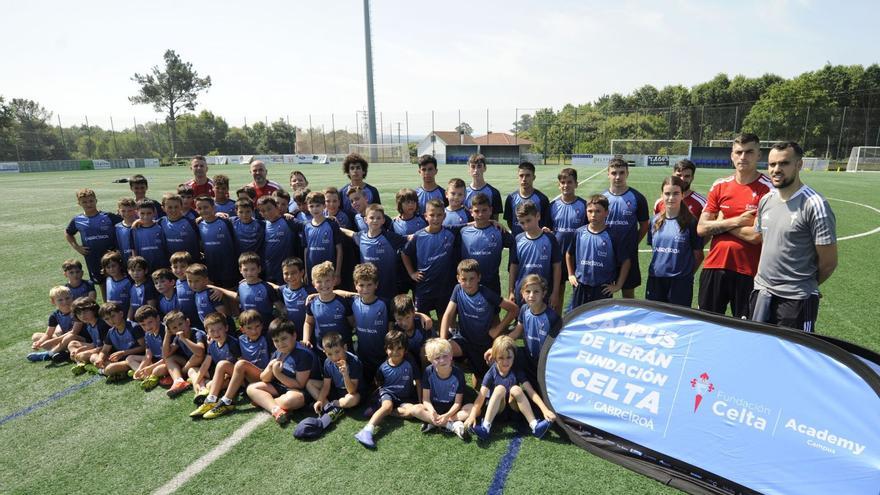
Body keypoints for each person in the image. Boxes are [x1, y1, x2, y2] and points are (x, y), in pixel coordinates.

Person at [746, 141, 837, 332]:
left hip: (796, 300)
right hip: (762, 292)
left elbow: (829, 262)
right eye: (772, 164)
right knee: (758, 350)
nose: (776, 169)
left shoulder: (815, 204)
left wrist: (802, 285)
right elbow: (764, 239)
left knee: (793, 356)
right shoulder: (766, 200)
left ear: (799, 165)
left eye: (784, 163)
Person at [697, 133, 772, 318]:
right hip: (714, 265)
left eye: (749, 152)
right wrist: (736, 221)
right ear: (732, 155)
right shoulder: (720, 186)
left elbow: (756, 236)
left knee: (746, 330)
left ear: (759, 155)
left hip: (749, 271)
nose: (743, 157)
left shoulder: (769, 190)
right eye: (738, 152)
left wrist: (721, 222)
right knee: (708, 324)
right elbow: (701, 228)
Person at [441, 259, 518, 382]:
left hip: (484, 344)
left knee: (486, 379)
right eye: (464, 279)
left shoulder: (486, 294)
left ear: (479, 278)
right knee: (440, 353)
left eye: (472, 278)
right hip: (463, 340)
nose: (468, 283)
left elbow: (514, 309)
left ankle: (473, 366)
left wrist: (497, 329)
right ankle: (454, 378)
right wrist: (442, 341)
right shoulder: (457, 290)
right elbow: (447, 315)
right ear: (458, 278)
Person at [464, 336, 554, 441]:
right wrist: (472, 415)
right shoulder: (491, 373)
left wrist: (545, 410)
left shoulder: (516, 370)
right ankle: (485, 427)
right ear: (494, 358)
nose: (505, 362)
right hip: (498, 412)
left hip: (514, 410)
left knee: (516, 389)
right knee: (500, 389)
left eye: (509, 357)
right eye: (501, 358)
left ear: (514, 356)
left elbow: (531, 392)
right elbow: (481, 397)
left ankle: (535, 426)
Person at [199, 309, 274, 419]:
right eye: (249, 328)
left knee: (241, 363)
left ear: (262, 326)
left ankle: (226, 401)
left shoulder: (267, 339)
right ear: (242, 329)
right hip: (246, 377)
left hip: (263, 376)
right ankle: (211, 400)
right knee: (221, 365)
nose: (254, 331)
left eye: (257, 326)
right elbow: (224, 335)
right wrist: (212, 336)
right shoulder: (240, 339)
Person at [354, 330, 419, 449]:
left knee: (411, 413)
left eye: (399, 348)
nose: (395, 352)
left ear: (405, 349)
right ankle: (366, 431)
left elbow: (418, 382)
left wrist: (421, 401)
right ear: (386, 349)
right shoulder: (383, 367)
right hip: (388, 393)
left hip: (405, 398)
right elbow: (379, 384)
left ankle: (380, 412)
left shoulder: (410, 363)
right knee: (387, 406)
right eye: (391, 348)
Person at [646, 177, 704, 307]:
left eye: (676, 193)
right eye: (667, 193)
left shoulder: (691, 222)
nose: (671, 198)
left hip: (680, 282)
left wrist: (685, 275)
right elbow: (655, 250)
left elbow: (699, 255)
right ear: (662, 195)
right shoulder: (654, 221)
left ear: (682, 195)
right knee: (655, 317)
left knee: (678, 321)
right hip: (656, 279)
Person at [247, 317, 316, 425]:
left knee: (292, 400)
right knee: (251, 388)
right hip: (282, 387)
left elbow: (300, 384)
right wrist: (270, 367)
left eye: (284, 338)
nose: (280, 343)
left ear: (294, 335)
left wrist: (277, 373)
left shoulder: (303, 354)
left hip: (299, 391)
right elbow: (264, 378)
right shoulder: (278, 352)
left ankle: (265, 402)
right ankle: (276, 409)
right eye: (276, 341)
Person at [566, 195, 629, 309]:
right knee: (578, 318)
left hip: (603, 288)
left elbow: (626, 261)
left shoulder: (613, 235)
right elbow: (569, 254)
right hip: (581, 285)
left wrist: (618, 285)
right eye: (590, 211)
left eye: (598, 211)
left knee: (601, 321)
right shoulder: (579, 233)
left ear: (606, 213)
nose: (593, 215)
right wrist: (571, 274)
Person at [401, 199, 458, 318]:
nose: (436, 218)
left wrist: (492, 221)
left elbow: (470, 224)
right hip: (424, 287)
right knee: (421, 318)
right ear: (426, 216)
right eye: (432, 215)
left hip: (444, 287)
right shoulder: (419, 236)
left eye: (439, 215)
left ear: (444, 216)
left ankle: (444, 335)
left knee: (444, 317)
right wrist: (412, 273)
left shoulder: (450, 231)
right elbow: (404, 253)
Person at [602, 158, 649, 299]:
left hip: (628, 254)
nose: (618, 177)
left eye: (621, 173)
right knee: (604, 291)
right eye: (614, 173)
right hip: (605, 252)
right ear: (608, 174)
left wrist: (633, 242)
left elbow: (644, 225)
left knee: (628, 294)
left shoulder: (637, 198)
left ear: (627, 173)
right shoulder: (602, 198)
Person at [65, 188, 121, 301]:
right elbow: (68, 233)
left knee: (117, 280)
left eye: (91, 201)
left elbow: (124, 226)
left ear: (96, 201)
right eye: (84, 202)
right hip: (93, 258)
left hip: (111, 257)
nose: (88, 204)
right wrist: (77, 247)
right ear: (79, 203)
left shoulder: (108, 216)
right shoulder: (78, 220)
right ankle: (107, 305)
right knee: (101, 283)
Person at [343, 204, 407, 301]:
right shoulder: (361, 237)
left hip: (388, 287)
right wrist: (336, 226)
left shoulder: (390, 238)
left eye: (378, 218)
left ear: (383, 220)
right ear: (365, 220)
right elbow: (351, 233)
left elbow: (408, 238)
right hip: (368, 288)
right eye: (372, 217)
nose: (375, 220)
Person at [410, 338, 471, 439]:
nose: (442, 360)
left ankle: (433, 423)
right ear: (430, 359)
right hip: (435, 408)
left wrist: (446, 416)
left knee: (472, 409)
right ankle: (452, 426)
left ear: (451, 355)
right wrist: (432, 411)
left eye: (445, 356)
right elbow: (426, 399)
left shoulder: (458, 374)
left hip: (452, 411)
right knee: (415, 409)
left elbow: (457, 403)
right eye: (437, 358)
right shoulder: (428, 372)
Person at [304, 331, 362, 436]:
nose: (334, 357)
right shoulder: (327, 362)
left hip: (352, 392)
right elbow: (326, 386)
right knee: (309, 383)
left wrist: (345, 374)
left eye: (337, 351)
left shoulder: (354, 361)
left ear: (345, 348)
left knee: (352, 399)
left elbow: (352, 390)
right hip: (336, 391)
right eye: (329, 353)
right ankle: (328, 406)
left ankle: (335, 406)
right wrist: (320, 400)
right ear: (325, 352)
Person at [458, 192, 514, 298]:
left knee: (494, 312)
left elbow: (516, 244)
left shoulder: (499, 230)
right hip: (468, 282)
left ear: (491, 210)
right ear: (471, 212)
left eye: (484, 210)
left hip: (492, 282)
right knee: (468, 313)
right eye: (476, 211)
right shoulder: (463, 232)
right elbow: (444, 228)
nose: (480, 214)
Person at [208, 252, 283, 330]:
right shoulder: (241, 286)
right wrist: (220, 289)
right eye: (245, 269)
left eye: (253, 269)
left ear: (259, 269)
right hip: (248, 329)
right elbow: (238, 298)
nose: (249, 273)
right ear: (240, 270)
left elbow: (281, 308)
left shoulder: (267, 287)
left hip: (265, 328)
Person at [508, 274, 559, 388]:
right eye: (528, 291)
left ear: (544, 293)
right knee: (506, 353)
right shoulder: (524, 309)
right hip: (528, 358)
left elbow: (557, 346)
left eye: (536, 292)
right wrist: (497, 346)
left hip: (545, 364)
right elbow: (517, 332)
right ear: (522, 293)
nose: (531, 295)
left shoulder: (552, 317)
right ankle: (510, 387)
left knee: (540, 391)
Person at [508, 201, 562, 311]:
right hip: (522, 292)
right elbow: (513, 266)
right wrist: (511, 291)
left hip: (543, 292)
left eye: (528, 220)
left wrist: (555, 292)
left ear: (537, 216)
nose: (526, 225)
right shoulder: (518, 239)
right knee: (522, 322)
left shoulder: (550, 238)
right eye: (522, 223)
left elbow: (557, 266)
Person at [549, 168, 587, 311]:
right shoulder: (552, 205)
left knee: (578, 290)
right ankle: (558, 322)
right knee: (557, 290)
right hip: (557, 256)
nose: (566, 185)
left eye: (569, 182)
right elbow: (548, 229)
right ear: (559, 185)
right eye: (563, 182)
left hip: (577, 256)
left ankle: (575, 319)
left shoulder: (584, 206)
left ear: (576, 184)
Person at [189, 312, 241, 412]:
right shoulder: (212, 344)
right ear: (207, 332)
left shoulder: (232, 343)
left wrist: (228, 375)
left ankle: (211, 399)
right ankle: (202, 389)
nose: (216, 334)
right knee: (192, 370)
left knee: (213, 381)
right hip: (222, 374)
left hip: (235, 377)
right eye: (212, 331)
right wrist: (196, 382)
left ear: (226, 328)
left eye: (219, 329)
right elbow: (206, 364)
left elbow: (241, 365)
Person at [304, 261, 354, 355]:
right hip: (322, 350)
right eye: (319, 281)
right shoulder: (311, 303)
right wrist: (306, 339)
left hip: (343, 349)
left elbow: (352, 323)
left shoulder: (343, 302)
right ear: (313, 284)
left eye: (327, 280)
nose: (324, 285)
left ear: (334, 280)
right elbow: (308, 322)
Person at [195, 195, 239, 289]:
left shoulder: (225, 222)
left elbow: (235, 242)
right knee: (215, 293)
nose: (203, 210)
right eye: (200, 208)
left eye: (206, 207)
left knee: (230, 292)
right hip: (211, 267)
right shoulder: (198, 224)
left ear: (214, 207)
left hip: (228, 266)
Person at [257, 196, 303, 285]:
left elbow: (308, 225)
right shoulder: (262, 225)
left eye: (269, 209)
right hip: (269, 269)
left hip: (287, 270)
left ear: (277, 207)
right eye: (263, 211)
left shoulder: (288, 221)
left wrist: (327, 219)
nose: (267, 212)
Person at [301, 191, 343, 286]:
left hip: (329, 271)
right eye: (311, 206)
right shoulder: (306, 226)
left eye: (317, 205)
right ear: (307, 207)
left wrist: (337, 272)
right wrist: (307, 272)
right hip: (313, 271)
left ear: (324, 206)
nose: (315, 209)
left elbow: (339, 249)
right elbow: (306, 249)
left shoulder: (332, 224)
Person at [97, 302, 146, 382]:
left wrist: (124, 353)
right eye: (107, 319)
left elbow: (144, 347)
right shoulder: (111, 332)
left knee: (110, 368)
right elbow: (105, 350)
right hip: (122, 360)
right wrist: (100, 359)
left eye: (113, 316)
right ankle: (121, 372)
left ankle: (106, 371)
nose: (111, 320)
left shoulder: (134, 327)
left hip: (135, 359)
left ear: (121, 314)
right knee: (94, 357)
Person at [27, 286, 78, 362]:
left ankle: (48, 354)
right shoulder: (55, 315)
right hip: (64, 340)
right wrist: (39, 343)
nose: (65, 302)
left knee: (70, 337)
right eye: (60, 300)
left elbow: (74, 332)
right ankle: (61, 353)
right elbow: (48, 334)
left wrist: (52, 341)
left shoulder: (77, 311)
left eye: (67, 298)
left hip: (77, 340)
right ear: (53, 302)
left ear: (72, 297)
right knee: (36, 336)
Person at [163, 310, 207, 398]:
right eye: (174, 328)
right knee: (169, 359)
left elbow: (200, 352)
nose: (179, 328)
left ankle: (182, 373)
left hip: (204, 364)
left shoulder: (197, 333)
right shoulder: (177, 338)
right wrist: (167, 335)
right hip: (190, 364)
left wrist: (184, 339)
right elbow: (166, 354)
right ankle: (178, 381)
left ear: (187, 322)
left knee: (197, 355)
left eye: (180, 324)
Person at [504, 161, 551, 237]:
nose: (524, 179)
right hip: (517, 242)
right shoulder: (511, 198)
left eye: (528, 175)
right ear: (518, 177)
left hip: (537, 242)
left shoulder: (542, 199)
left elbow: (546, 222)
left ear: (534, 177)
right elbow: (510, 221)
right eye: (521, 176)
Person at [130, 305, 170, 391]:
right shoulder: (147, 334)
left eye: (150, 322)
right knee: (129, 358)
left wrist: (150, 368)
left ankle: (152, 376)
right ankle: (144, 374)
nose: (147, 327)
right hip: (156, 361)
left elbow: (166, 357)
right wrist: (140, 368)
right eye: (143, 325)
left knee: (157, 370)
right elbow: (148, 356)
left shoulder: (165, 332)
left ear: (158, 318)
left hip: (167, 361)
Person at [67, 297, 111, 375]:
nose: (82, 315)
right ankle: (81, 363)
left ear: (94, 309)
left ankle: (107, 368)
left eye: (85, 311)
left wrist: (88, 351)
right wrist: (82, 348)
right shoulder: (89, 325)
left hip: (108, 352)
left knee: (91, 356)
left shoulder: (102, 324)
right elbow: (95, 343)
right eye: (79, 313)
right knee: (72, 344)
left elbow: (105, 346)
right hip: (99, 349)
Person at [391, 294, 433, 369]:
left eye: (407, 317)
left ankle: (426, 376)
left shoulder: (423, 325)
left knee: (425, 349)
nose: (404, 323)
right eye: (399, 319)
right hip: (408, 366)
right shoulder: (395, 330)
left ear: (413, 313)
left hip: (426, 365)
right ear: (394, 317)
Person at [159, 193, 200, 264]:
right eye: (170, 207)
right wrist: (138, 221)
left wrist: (218, 215)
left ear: (181, 206)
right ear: (163, 208)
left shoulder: (191, 223)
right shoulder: (161, 222)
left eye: (176, 207)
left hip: (190, 264)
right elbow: (148, 223)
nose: (173, 210)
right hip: (171, 265)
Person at [130, 199, 169, 271]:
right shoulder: (134, 229)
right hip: (143, 268)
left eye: (149, 213)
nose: (145, 216)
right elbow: (133, 250)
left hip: (161, 266)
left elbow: (166, 247)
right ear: (137, 213)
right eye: (142, 213)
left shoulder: (160, 227)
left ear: (154, 213)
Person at [339, 153, 381, 217]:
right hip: (347, 226)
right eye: (352, 168)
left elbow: (379, 212)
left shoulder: (373, 191)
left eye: (358, 168)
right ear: (348, 172)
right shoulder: (342, 192)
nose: (355, 171)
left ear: (363, 171)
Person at [277, 257, 312, 332]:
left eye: (293, 273)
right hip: (288, 333)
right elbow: (270, 286)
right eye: (286, 273)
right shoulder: (281, 290)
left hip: (306, 334)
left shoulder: (310, 291)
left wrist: (344, 293)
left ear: (302, 272)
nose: (290, 276)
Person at [464, 153, 503, 220]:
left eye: (479, 166)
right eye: (473, 167)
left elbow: (495, 220)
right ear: (469, 169)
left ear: (485, 168)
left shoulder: (494, 192)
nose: (476, 170)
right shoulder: (463, 193)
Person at [170, 252, 201, 328]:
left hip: (198, 319)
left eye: (183, 266)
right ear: (171, 268)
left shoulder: (194, 280)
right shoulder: (177, 282)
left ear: (190, 266)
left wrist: (217, 290)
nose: (179, 270)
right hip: (185, 321)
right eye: (175, 267)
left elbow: (207, 286)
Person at [126, 256, 158, 321]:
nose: (135, 273)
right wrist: (128, 320)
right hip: (137, 322)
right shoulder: (132, 286)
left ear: (145, 271)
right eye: (132, 270)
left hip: (146, 322)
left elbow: (152, 308)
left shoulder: (148, 287)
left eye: (139, 270)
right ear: (128, 271)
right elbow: (132, 306)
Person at [115, 197, 138, 267]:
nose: (127, 213)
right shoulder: (117, 227)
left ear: (135, 210)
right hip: (126, 262)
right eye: (123, 211)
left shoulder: (140, 224)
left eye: (130, 210)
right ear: (118, 211)